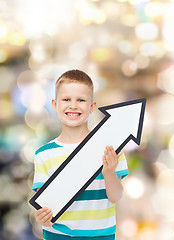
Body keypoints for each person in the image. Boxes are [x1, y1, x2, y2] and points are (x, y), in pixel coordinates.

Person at [32, 69, 128, 240]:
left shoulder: (110, 149)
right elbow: (45, 207)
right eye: (66, 99)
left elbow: (116, 197)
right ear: (55, 105)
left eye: (81, 100)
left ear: (92, 107)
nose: (73, 105)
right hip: (58, 235)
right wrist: (43, 219)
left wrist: (109, 172)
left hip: (101, 235)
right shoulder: (44, 155)